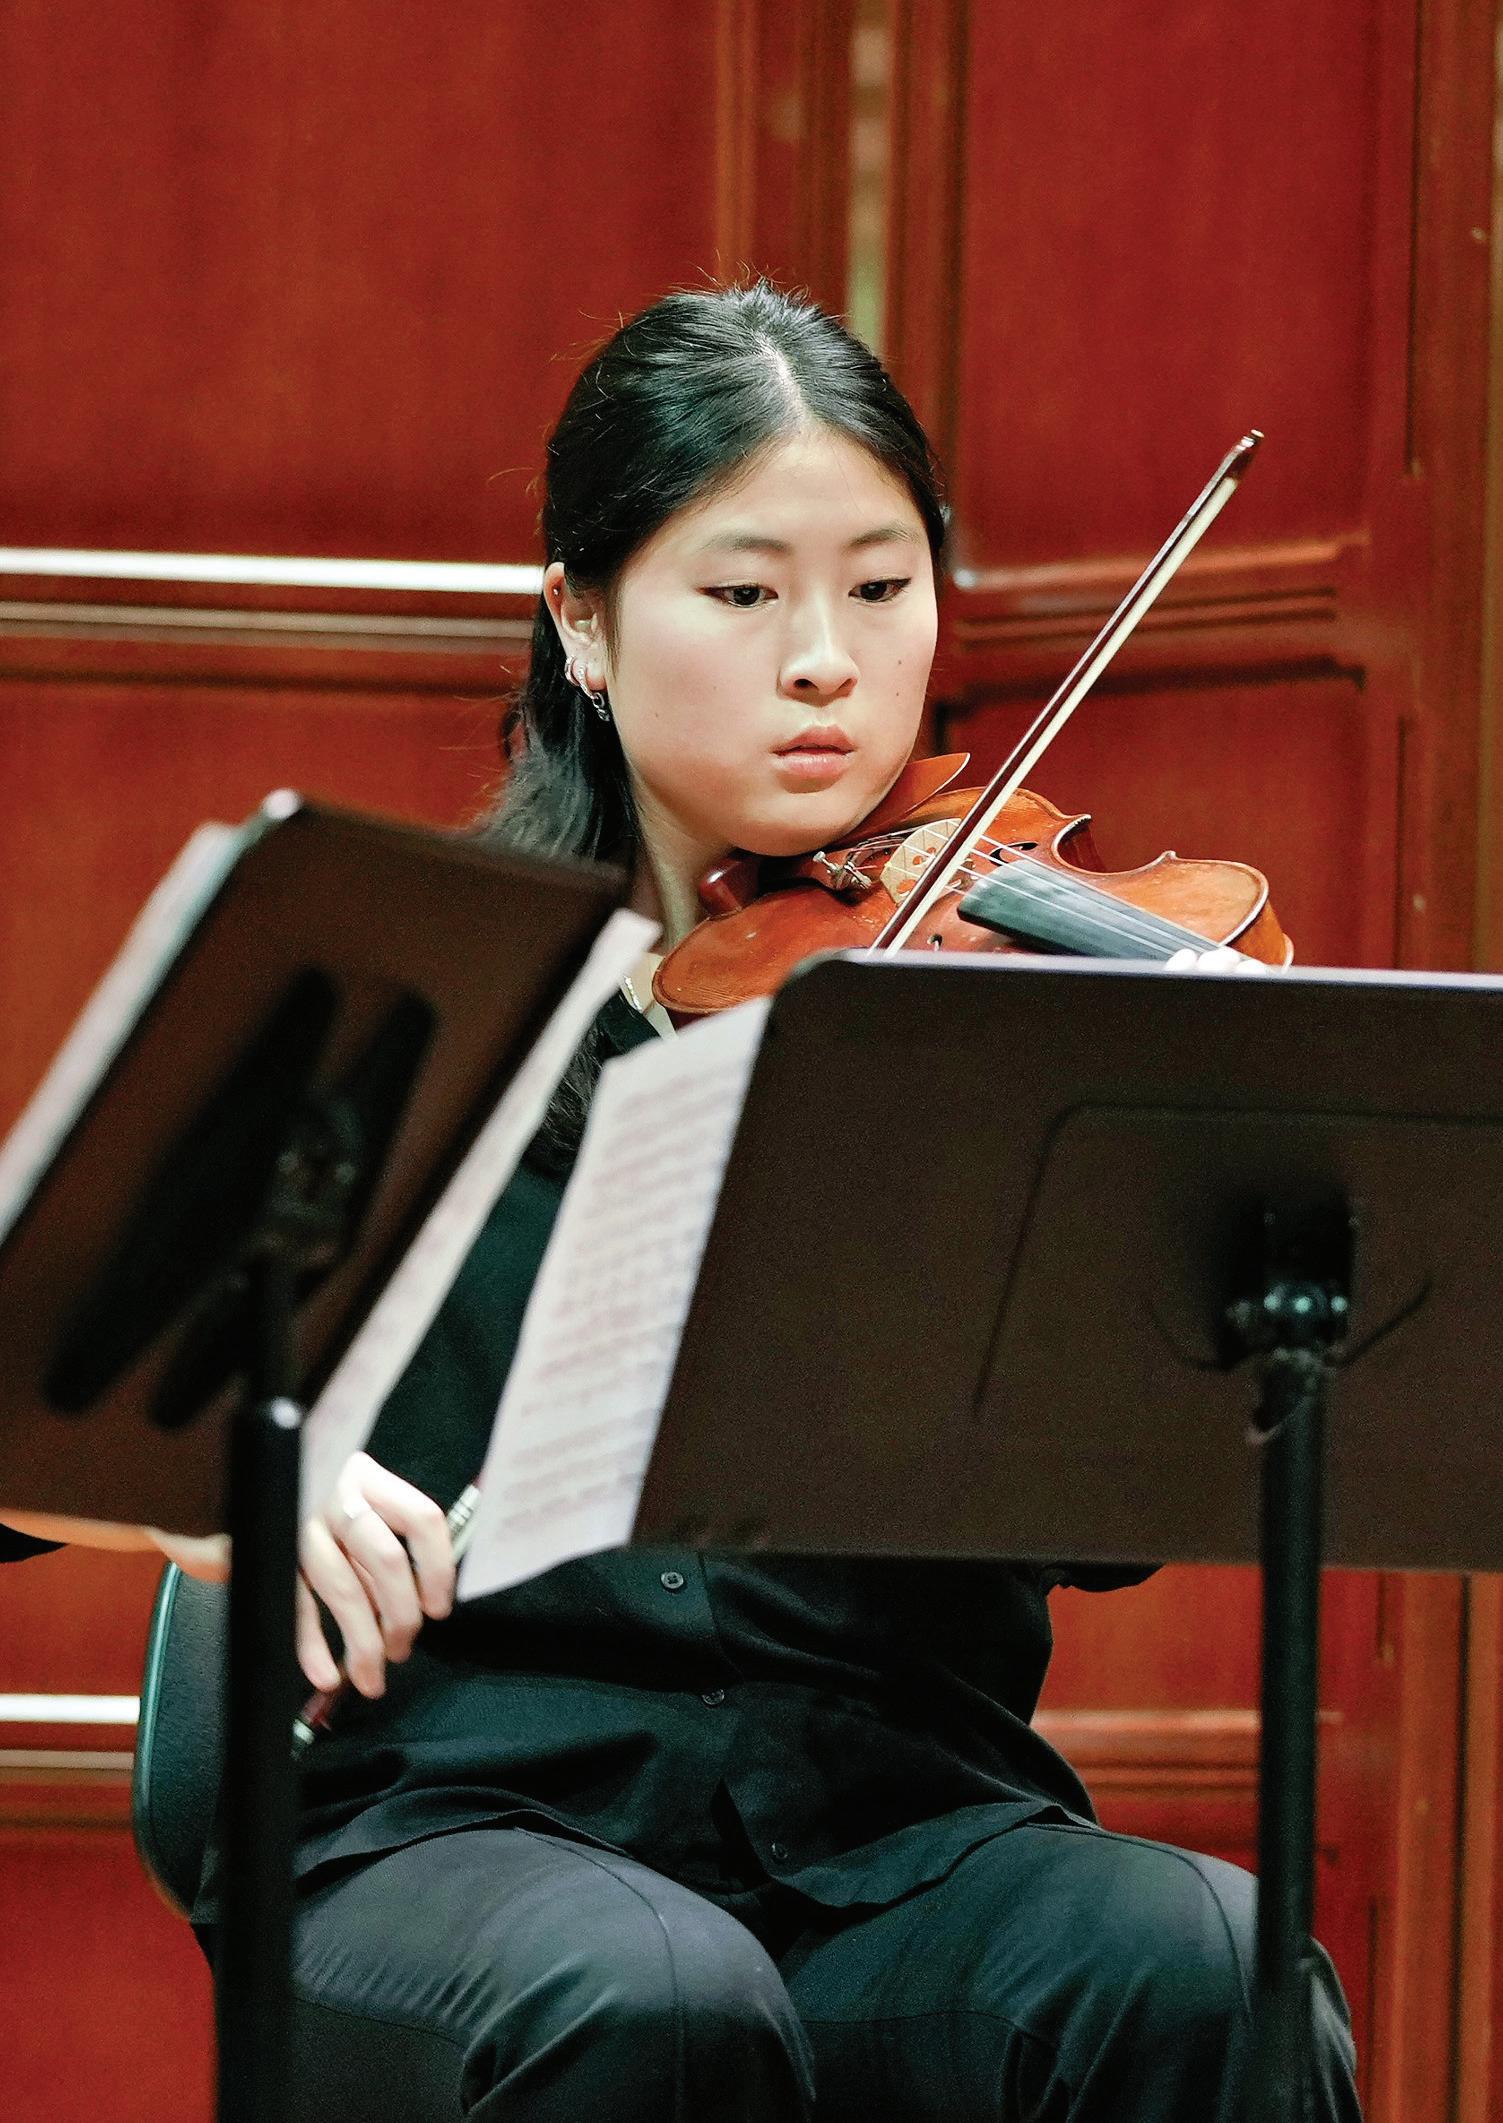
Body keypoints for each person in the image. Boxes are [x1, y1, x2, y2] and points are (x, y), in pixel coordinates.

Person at [0, 280, 1359, 2123]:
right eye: (743, 593)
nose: (827, 663)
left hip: (894, 1841)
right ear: (581, 617)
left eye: (881, 586)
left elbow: (1113, 1532)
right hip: (445, 1836)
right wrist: (221, 1476)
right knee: (653, 1997)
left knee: (1204, 1968)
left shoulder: (996, 1022)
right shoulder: (405, 997)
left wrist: (1170, 1205)